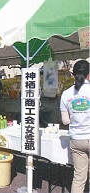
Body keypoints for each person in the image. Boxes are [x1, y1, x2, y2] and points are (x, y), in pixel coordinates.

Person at [60, 60, 90, 193]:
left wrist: (77, 115)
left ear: (73, 74)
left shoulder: (66, 94)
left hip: (76, 140)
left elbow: (65, 121)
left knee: (79, 178)